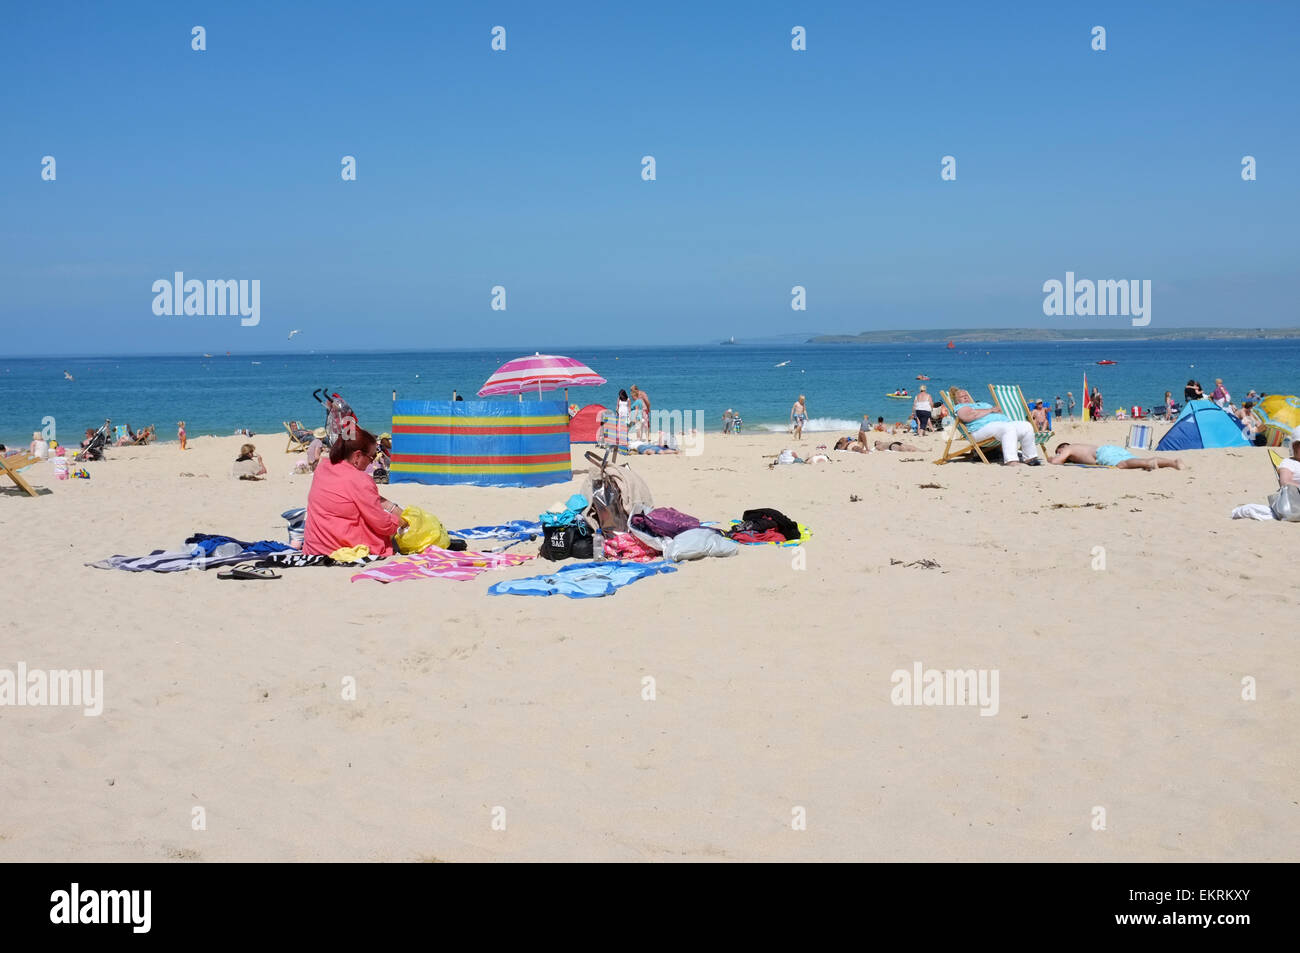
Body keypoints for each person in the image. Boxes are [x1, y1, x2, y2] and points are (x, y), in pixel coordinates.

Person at [303, 427, 408, 557]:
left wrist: (392, 508)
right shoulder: (359, 479)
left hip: (315, 545)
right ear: (357, 455)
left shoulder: (323, 467)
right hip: (337, 547)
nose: (373, 460)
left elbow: (359, 496)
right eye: (372, 456)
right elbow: (382, 523)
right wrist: (400, 522)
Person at [951, 387, 1041, 465]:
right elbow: (969, 416)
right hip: (979, 430)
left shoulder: (979, 405)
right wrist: (990, 410)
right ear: (957, 401)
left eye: (966, 395)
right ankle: (1011, 460)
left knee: (1026, 426)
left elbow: (998, 411)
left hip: (999, 426)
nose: (966, 397)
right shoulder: (960, 407)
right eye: (962, 397)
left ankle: (1030, 458)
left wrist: (994, 411)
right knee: (1007, 428)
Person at [1049, 442, 1184, 470]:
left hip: (1103, 453)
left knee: (1122, 464)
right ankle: (1173, 463)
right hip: (1109, 448)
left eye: (1058, 451)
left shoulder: (1068, 448)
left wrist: (1052, 458)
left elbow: (1057, 461)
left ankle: (1149, 463)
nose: (1059, 454)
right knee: (1135, 460)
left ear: (1062, 447)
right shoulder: (1080, 446)